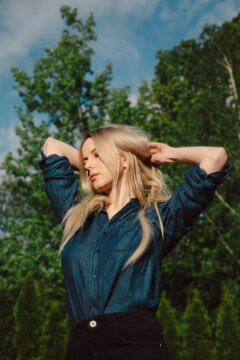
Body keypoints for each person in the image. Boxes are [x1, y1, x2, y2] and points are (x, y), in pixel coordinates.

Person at [39, 124, 231, 360]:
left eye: (97, 155)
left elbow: (215, 157)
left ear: (124, 160)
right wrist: (104, 165)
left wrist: (168, 154)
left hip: (138, 346)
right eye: (85, 159)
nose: (87, 165)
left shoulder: (160, 218)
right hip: (80, 347)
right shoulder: (77, 217)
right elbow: (52, 147)